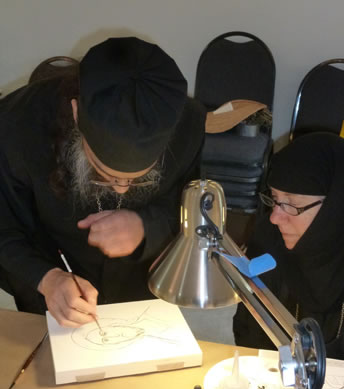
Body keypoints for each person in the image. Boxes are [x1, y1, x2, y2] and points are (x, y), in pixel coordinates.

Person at [0, 37, 205, 327]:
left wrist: (147, 225)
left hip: (140, 281)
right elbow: (4, 224)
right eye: (103, 173)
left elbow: (190, 205)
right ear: (76, 114)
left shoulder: (188, 124)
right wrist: (46, 278)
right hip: (49, 277)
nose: (121, 189)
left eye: (138, 179)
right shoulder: (17, 125)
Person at [233, 132, 344, 368]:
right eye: (274, 198)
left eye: (291, 204)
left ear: (336, 208)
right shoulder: (268, 239)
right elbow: (249, 335)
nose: (274, 217)